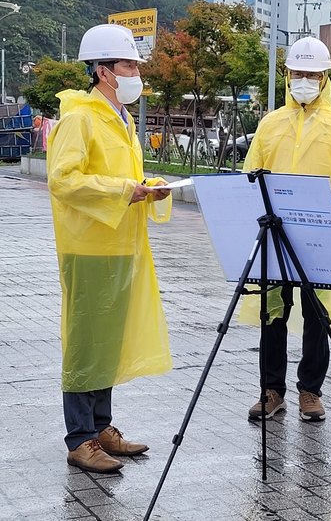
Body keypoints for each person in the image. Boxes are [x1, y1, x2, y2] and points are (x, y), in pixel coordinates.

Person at [47, 24, 173, 474]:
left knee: (105, 343)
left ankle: (101, 427)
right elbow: (63, 180)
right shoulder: (80, 117)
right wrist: (125, 190)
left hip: (121, 244)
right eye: (128, 65)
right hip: (89, 247)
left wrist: (147, 188)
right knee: (85, 342)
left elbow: (122, 179)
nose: (137, 72)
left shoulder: (120, 117)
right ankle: (79, 438)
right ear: (102, 71)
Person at [239, 36, 331, 423]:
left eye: (312, 74)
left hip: (321, 236)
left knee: (317, 316)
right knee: (272, 313)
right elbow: (249, 179)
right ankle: (272, 390)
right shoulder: (270, 124)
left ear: (324, 79)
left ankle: (311, 391)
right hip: (275, 235)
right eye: (297, 73)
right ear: (287, 75)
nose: (303, 80)